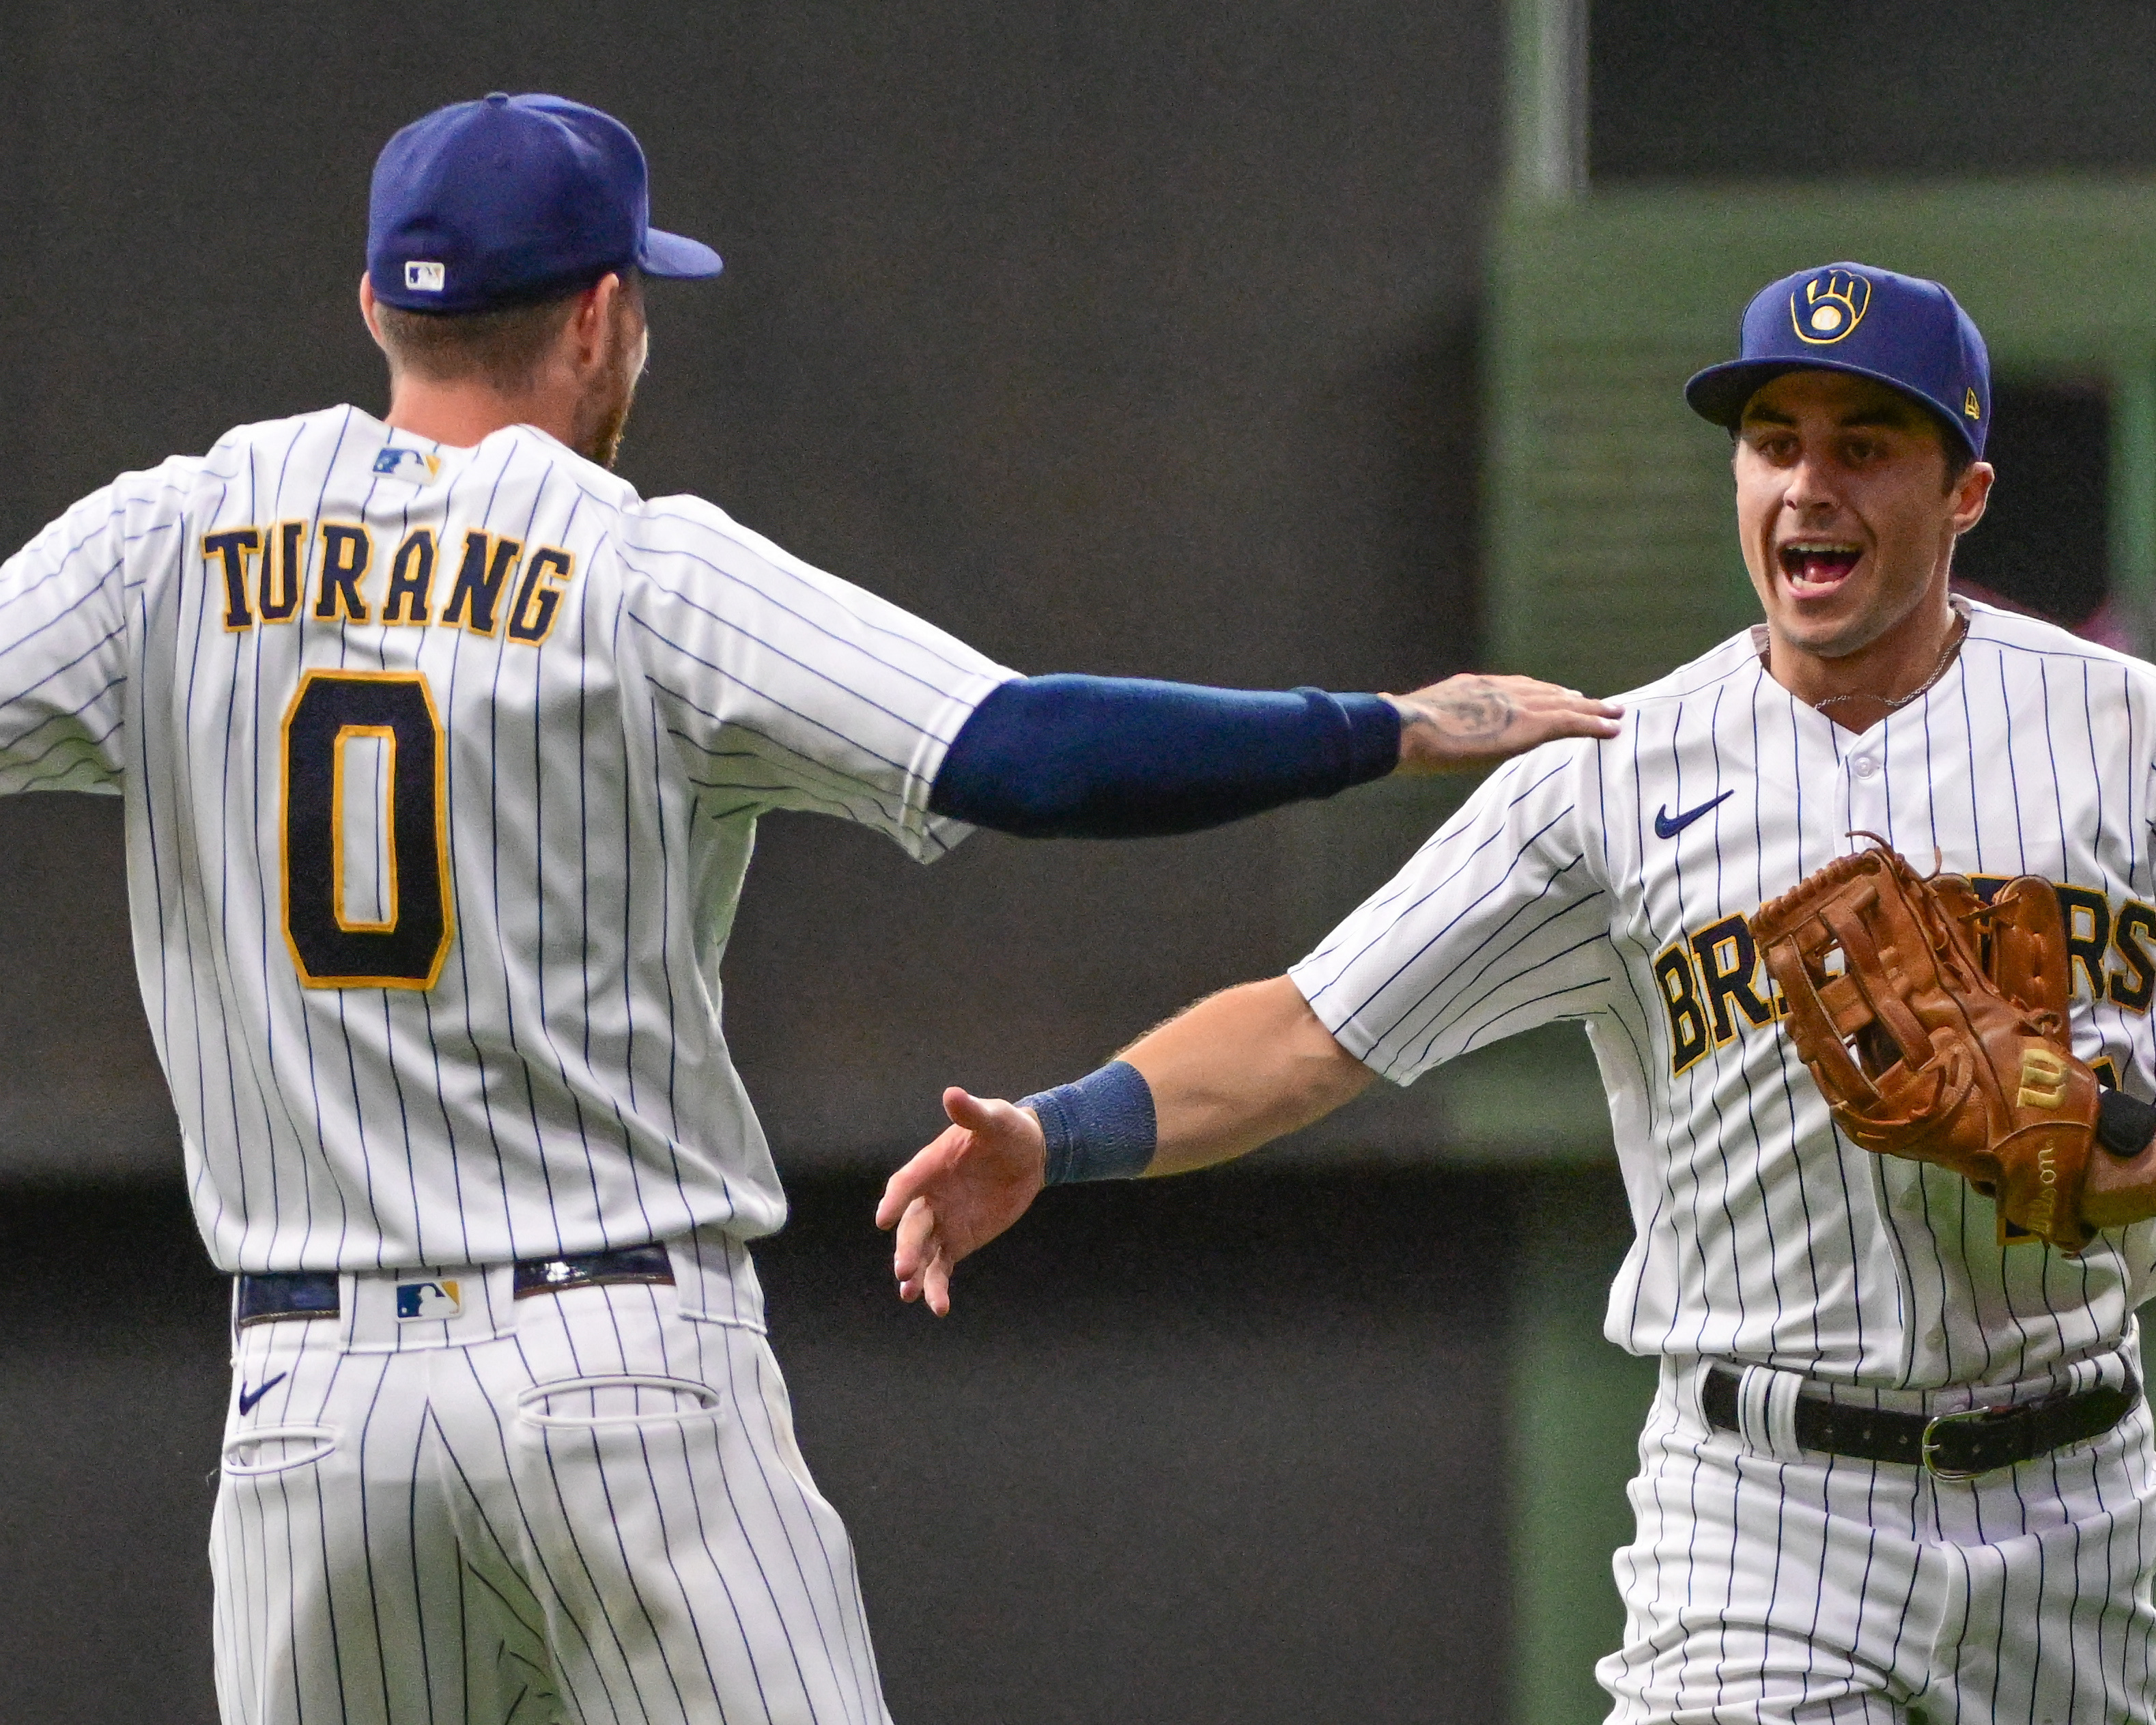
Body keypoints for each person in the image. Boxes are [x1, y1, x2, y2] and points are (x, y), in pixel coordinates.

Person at [0, 91, 1618, 1725]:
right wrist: (1385, 724)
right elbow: (1025, 754)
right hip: (617, 1376)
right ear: (604, 317)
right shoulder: (639, 570)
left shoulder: (168, 539)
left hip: (309, 1412)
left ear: (374, 305)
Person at [881, 261, 2156, 1723]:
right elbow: (1310, 1029)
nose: (1808, 486)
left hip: (2075, 1498)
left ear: (1965, 491)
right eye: (1774, 443)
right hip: (1765, 1506)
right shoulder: (1612, 777)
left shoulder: (2131, 731)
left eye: (1864, 447)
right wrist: (1051, 1132)